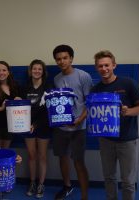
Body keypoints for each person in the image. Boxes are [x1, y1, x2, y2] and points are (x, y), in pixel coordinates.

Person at [92, 50, 139, 200]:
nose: (104, 69)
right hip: (106, 140)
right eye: (100, 66)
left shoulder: (128, 83)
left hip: (127, 140)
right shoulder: (95, 90)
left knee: (128, 181)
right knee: (109, 178)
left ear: (114, 65)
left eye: (107, 65)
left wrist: (128, 112)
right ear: (96, 68)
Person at [52, 44, 92, 200]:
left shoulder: (83, 76)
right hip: (61, 128)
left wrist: (79, 120)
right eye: (58, 59)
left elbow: (89, 102)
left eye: (65, 58)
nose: (62, 61)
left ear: (71, 58)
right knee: (63, 158)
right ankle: (67, 187)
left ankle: (84, 195)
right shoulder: (56, 79)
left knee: (79, 162)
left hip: (79, 128)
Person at [22, 59, 52, 198]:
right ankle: (32, 182)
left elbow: (48, 110)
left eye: (40, 69)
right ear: (30, 71)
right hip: (27, 125)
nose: (37, 71)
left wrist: (37, 124)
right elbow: (21, 108)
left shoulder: (48, 87)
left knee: (42, 156)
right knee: (32, 156)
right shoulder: (24, 88)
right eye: (34, 68)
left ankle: (41, 183)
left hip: (43, 126)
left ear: (43, 71)